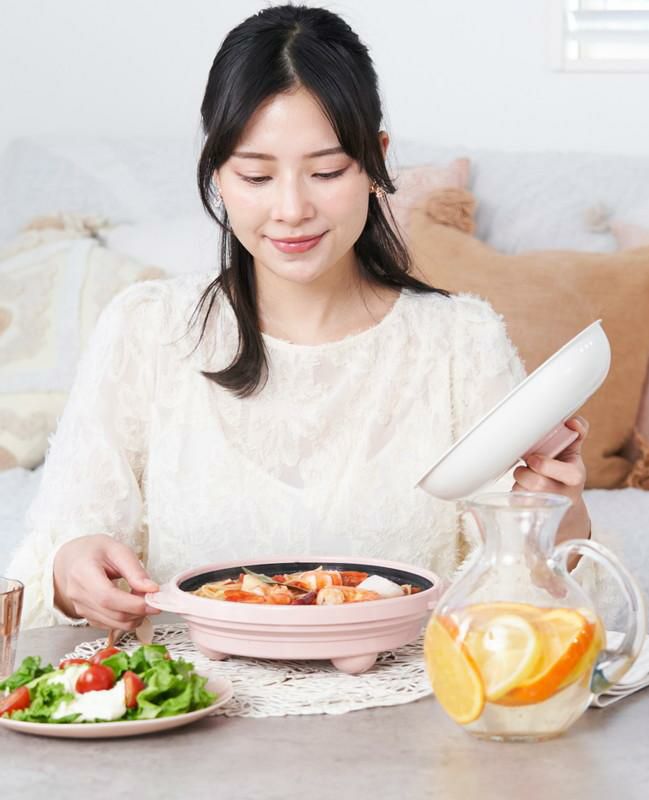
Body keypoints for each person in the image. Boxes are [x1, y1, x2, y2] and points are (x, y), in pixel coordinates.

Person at [8, 5, 601, 632]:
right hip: (190, 689)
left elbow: (525, 612)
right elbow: (56, 556)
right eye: (256, 175)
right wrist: (73, 574)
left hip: (406, 692)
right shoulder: (147, 329)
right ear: (216, 173)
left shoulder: (462, 342)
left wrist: (558, 519)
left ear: (376, 163)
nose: (291, 209)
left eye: (326, 171)